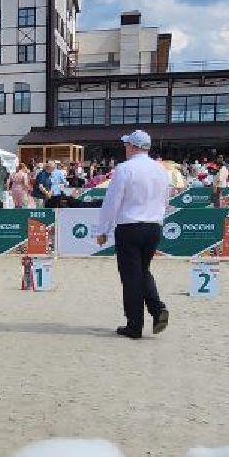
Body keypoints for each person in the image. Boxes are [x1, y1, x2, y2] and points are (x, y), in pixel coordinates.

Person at [93, 130, 170, 340]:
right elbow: (166, 201)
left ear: (133, 146)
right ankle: (157, 309)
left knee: (131, 276)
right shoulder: (161, 170)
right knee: (142, 271)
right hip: (154, 226)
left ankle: (135, 324)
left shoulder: (124, 169)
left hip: (130, 226)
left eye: (127, 145)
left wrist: (102, 230)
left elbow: (112, 202)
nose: (125, 148)